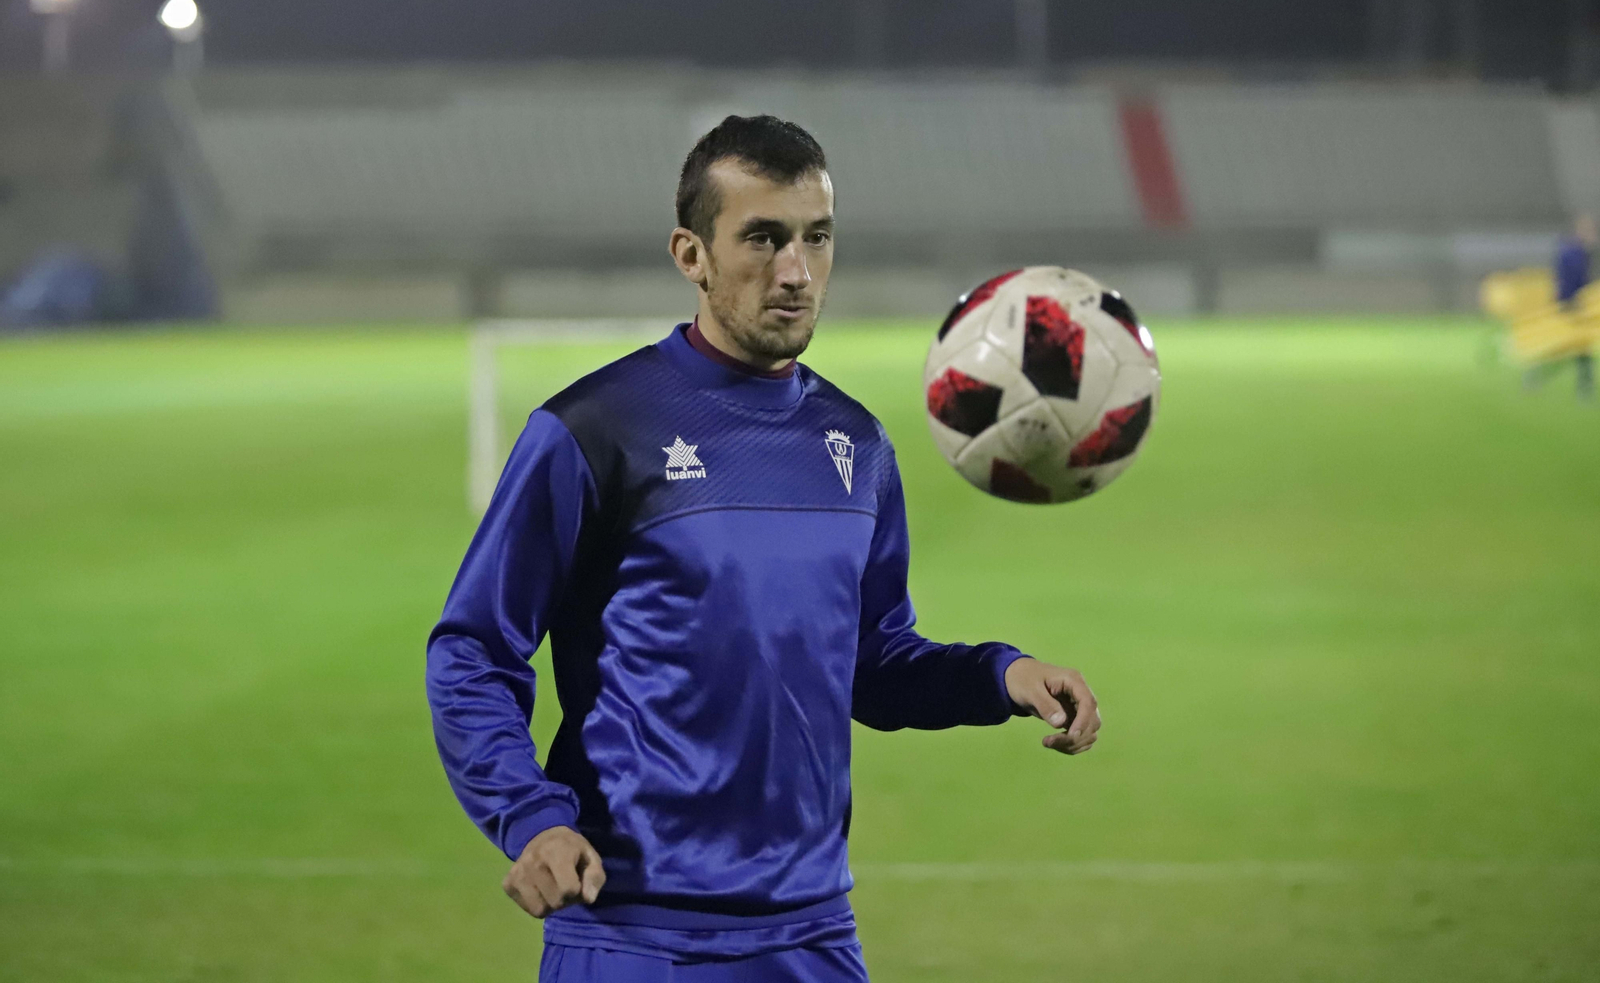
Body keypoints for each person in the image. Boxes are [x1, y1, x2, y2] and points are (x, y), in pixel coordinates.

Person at [425, 115, 1101, 983]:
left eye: (816, 238)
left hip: (811, 931)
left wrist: (999, 676)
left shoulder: (856, 443)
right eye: (764, 238)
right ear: (691, 254)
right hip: (634, 931)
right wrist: (531, 818)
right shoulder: (591, 430)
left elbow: (870, 660)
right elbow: (474, 649)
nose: (796, 271)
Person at [1554, 214, 1595, 399]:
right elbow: (1570, 280)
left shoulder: (1579, 252)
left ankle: (1585, 384)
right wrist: (1570, 300)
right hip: (1572, 304)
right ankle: (1584, 386)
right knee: (1573, 346)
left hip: (1578, 304)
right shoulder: (1571, 252)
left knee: (1581, 346)